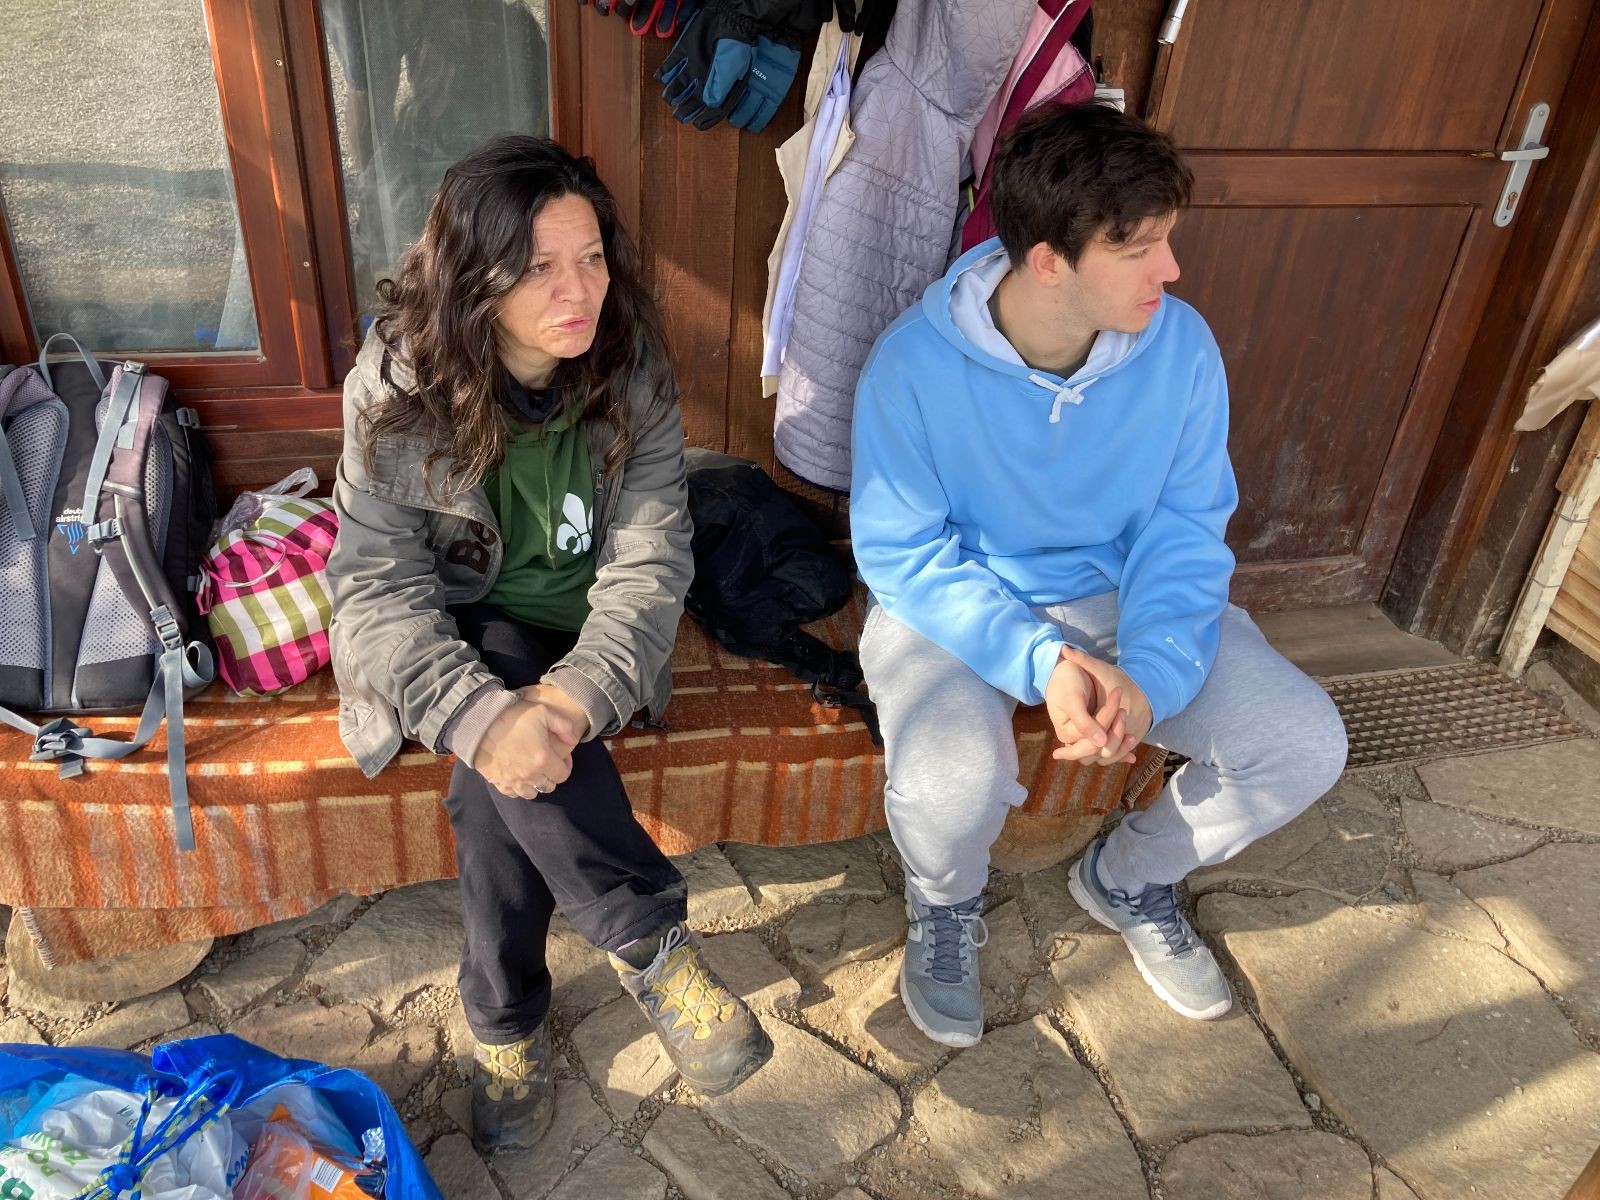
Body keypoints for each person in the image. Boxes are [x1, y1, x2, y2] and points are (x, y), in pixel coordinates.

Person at [849, 102, 1348, 1046]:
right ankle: (944, 906)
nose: (1172, 270)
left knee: (1302, 743)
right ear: (1048, 261)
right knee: (953, 780)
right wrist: (1041, 660)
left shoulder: (1181, 347)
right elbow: (905, 555)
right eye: (1139, 248)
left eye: (1167, 240)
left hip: (1121, 599)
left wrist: (1150, 676)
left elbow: (1184, 525)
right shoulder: (909, 368)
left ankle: (1128, 878)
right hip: (956, 604)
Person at [326, 135, 772, 1154]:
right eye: (538, 267)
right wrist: (481, 718)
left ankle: (504, 1022)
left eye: (592, 258)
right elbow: (375, 590)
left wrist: (565, 704)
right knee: (496, 716)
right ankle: (650, 947)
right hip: (466, 626)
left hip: (590, 636)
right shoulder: (397, 393)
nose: (579, 291)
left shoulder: (631, 370)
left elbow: (651, 563)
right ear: (473, 280)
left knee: (493, 786)